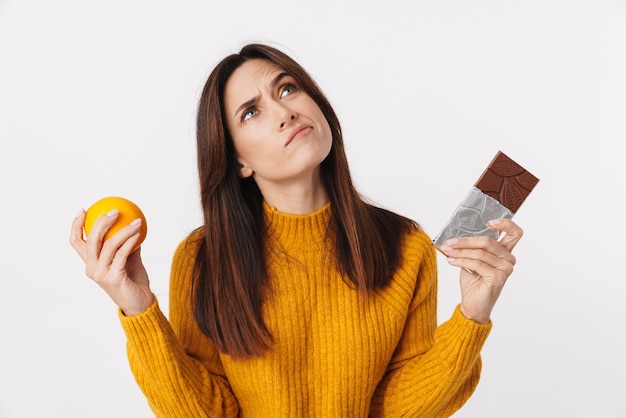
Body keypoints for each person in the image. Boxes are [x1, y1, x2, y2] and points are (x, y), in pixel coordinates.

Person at [70, 43, 523, 417]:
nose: (282, 112)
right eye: (251, 112)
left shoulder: (405, 246)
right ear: (238, 161)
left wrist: (472, 314)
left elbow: (398, 410)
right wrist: (139, 309)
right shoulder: (202, 257)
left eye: (286, 89)